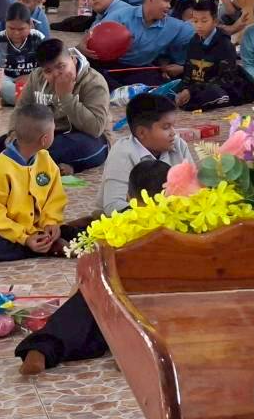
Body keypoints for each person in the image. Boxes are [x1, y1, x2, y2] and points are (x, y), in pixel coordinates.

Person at [15, 156, 171, 376]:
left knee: (86, 307)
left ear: (129, 196)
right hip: (165, 300)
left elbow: (89, 271)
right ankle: (129, 350)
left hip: (121, 299)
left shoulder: (117, 223)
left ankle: (42, 348)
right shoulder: (182, 221)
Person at [0, 104, 68, 262]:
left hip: (37, 229)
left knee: (78, 231)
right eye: (53, 131)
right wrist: (24, 238)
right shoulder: (0, 167)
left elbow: (55, 198)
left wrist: (51, 222)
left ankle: (41, 245)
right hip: (5, 232)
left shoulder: (46, 160)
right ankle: (38, 248)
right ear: (45, 139)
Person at [7, 39, 110, 173]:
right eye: (48, 71)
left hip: (83, 136)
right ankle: (39, 162)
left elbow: (96, 128)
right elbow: (21, 110)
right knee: (0, 144)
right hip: (46, 135)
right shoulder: (36, 77)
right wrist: (14, 135)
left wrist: (65, 97)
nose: (56, 74)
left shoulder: (94, 81)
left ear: (73, 59)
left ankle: (20, 161)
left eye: (61, 66)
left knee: (72, 147)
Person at [97, 94, 192, 214]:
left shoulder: (178, 145)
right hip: (129, 221)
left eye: (173, 126)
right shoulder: (123, 153)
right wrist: (154, 216)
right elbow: (113, 206)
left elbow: (193, 188)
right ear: (142, 132)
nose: (173, 133)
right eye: (166, 127)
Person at [96, 0, 194, 87]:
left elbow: (201, 38)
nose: (169, 6)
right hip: (108, 65)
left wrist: (184, 68)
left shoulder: (174, 26)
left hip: (140, 70)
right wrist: (85, 48)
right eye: (166, 1)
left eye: (170, 2)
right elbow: (94, 37)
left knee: (159, 91)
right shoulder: (120, 16)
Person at [172, 1, 254, 111]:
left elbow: (225, 80)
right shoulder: (193, 42)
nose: (199, 25)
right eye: (195, 21)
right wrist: (184, 89)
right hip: (196, 87)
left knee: (215, 93)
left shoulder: (225, 45)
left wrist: (192, 91)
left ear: (215, 21)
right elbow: (188, 73)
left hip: (219, 88)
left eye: (204, 21)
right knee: (173, 90)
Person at [0, 4, 49, 108]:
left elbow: (48, 64)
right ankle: (28, 100)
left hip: (32, 80)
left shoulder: (38, 37)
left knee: (46, 82)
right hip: (7, 80)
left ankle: (17, 99)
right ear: (5, 24)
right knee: (1, 86)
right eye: (11, 28)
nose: (16, 33)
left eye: (21, 29)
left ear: (30, 25)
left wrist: (30, 77)